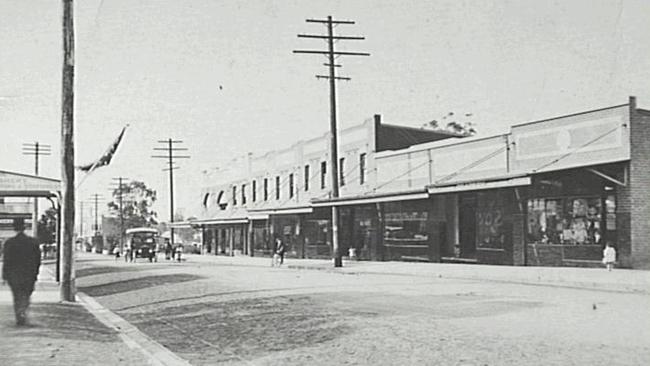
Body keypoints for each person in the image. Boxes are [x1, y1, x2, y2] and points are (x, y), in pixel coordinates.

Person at [2, 218, 41, 326]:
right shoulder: (33, 242)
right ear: (24, 227)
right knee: (26, 295)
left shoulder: (9, 243)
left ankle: (19, 315)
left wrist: (4, 276)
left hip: (14, 275)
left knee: (17, 295)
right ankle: (23, 311)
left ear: (14, 228)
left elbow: (7, 260)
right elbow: (37, 260)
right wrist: (36, 273)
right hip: (29, 274)